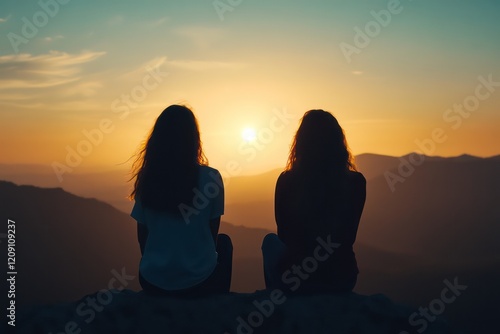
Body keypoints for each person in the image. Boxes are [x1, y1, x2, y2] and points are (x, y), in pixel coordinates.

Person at [129, 104, 232, 297]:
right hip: (201, 283)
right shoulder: (211, 178)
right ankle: (217, 308)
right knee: (223, 244)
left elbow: (143, 238)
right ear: (194, 139)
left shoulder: (149, 179)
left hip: (152, 282)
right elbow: (212, 234)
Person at [262, 109, 366, 293]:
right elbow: (349, 237)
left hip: (296, 277)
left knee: (270, 242)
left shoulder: (287, 180)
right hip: (342, 277)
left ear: (300, 144)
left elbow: (283, 235)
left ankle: (277, 299)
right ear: (338, 144)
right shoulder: (356, 182)